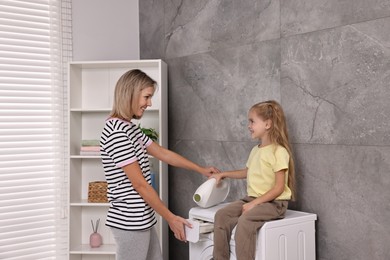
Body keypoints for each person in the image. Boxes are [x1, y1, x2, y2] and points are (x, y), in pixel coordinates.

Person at [100, 69, 219, 260]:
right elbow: (140, 185)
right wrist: (171, 218)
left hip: (142, 218)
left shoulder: (128, 127)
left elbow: (162, 153)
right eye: (146, 97)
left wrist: (201, 169)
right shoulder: (116, 133)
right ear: (130, 93)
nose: (149, 103)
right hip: (130, 221)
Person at [211, 100, 296, 260]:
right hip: (252, 199)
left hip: (274, 204)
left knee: (245, 221)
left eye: (252, 121)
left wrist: (254, 204)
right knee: (221, 215)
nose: (249, 125)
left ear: (268, 124)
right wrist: (224, 174)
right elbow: (247, 172)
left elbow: (279, 188)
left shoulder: (279, 152)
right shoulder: (255, 150)